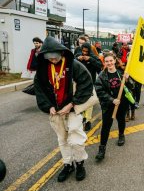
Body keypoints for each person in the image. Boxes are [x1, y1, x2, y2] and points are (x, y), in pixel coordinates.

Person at [34, 36, 93, 182]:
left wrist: (72, 104)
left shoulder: (74, 65)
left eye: (55, 57)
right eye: (49, 58)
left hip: (72, 108)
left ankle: (79, 164)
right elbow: (39, 88)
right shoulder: (43, 68)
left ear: (61, 52)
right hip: (56, 110)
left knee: (76, 140)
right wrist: (48, 106)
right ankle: (67, 165)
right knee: (62, 139)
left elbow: (86, 83)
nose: (53, 60)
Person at [94, 53, 134, 161]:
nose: (109, 63)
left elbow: (132, 86)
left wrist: (128, 79)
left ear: (115, 60)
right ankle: (102, 149)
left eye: (111, 60)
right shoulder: (102, 76)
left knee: (121, 120)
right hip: (108, 105)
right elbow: (99, 91)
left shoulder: (121, 73)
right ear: (104, 62)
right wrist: (112, 100)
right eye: (107, 61)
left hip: (122, 103)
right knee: (106, 126)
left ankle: (121, 135)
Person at [76, 42, 102, 131]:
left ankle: (87, 120)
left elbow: (99, 66)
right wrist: (77, 59)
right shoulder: (78, 55)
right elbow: (70, 63)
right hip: (80, 83)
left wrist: (90, 59)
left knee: (89, 103)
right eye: (83, 51)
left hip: (91, 83)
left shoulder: (93, 57)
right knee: (81, 102)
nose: (84, 53)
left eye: (86, 51)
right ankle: (83, 118)